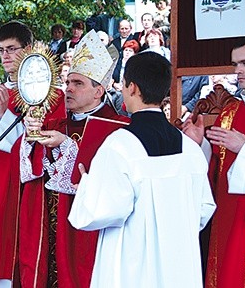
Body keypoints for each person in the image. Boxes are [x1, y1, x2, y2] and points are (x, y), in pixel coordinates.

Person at [68, 52, 216, 287]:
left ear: (132, 87)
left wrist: (87, 184)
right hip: (178, 268)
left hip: (132, 267)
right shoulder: (189, 148)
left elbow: (101, 211)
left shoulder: (119, 145)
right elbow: (204, 209)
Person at [0, 21, 66, 287]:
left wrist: (8, 113)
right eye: (0, 50)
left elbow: (40, 148)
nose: (5, 56)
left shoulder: (51, 95)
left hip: (29, 189)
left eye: (11, 49)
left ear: (28, 48)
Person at [21, 30, 128, 287]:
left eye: (77, 84)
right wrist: (30, 137)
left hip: (89, 231)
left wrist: (66, 145)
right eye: (67, 82)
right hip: (51, 224)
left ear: (99, 91)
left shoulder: (117, 127)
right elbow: (31, 172)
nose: (67, 89)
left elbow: (103, 180)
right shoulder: (55, 122)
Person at [182, 35, 245, 287]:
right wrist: (200, 145)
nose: (237, 70)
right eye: (235, 64)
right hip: (227, 218)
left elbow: (239, 152)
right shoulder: (229, 112)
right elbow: (216, 168)